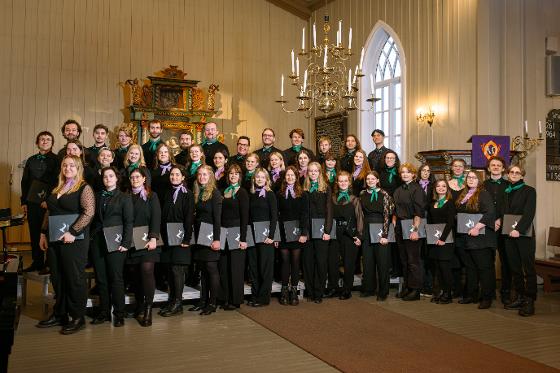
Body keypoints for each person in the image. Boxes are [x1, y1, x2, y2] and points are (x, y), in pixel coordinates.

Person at [37, 155, 95, 335]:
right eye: (64, 165)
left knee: (74, 278)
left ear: (78, 168)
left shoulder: (84, 187)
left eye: (71, 165)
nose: (67, 168)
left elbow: (89, 212)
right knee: (58, 277)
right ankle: (60, 313)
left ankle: (78, 317)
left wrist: (73, 232)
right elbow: (50, 212)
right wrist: (43, 233)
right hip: (54, 239)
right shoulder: (57, 188)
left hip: (74, 240)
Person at [89, 167, 133, 327]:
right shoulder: (96, 196)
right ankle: (104, 312)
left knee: (116, 278)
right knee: (101, 278)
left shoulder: (124, 197)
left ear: (117, 178)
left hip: (116, 242)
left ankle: (119, 313)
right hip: (98, 242)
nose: (107, 178)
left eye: (111, 176)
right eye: (105, 176)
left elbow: (129, 222)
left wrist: (126, 243)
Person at [455, 170, 496, 309]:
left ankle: (486, 297)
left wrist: (477, 228)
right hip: (466, 237)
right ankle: (471, 295)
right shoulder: (464, 194)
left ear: (479, 180)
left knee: (484, 269)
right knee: (470, 268)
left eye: (473, 177)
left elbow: (490, 213)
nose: (470, 179)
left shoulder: (483, 194)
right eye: (468, 177)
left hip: (481, 237)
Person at [158, 166, 195, 317]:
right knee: (169, 269)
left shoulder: (188, 194)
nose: (174, 177)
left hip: (181, 237)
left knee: (177, 270)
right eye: (172, 174)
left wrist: (187, 238)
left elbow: (189, 217)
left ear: (183, 177)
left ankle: (178, 304)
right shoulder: (167, 192)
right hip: (168, 236)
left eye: (177, 174)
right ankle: (172, 300)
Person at [127, 167, 161, 326]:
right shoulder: (125, 197)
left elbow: (156, 217)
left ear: (144, 179)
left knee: (146, 270)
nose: (134, 179)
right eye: (132, 177)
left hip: (148, 240)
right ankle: (140, 305)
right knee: (134, 274)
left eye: (137, 177)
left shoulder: (151, 196)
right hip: (132, 242)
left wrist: (154, 237)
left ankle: (148, 309)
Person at [21, 131, 59, 273]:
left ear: (52, 143)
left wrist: (49, 200)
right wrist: (24, 202)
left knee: (49, 232)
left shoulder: (56, 160)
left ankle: (49, 264)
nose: (45, 141)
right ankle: (37, 262)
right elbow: (25, 182)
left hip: (49, 202)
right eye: (42, 139)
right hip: (32, 202)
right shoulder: (31, 160)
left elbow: (58, 182)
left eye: (48, 139)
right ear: (37, 142)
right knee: (35, 231)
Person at [502, 165, 537, 316]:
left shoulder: (529, 191)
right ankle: (520, 297)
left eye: (518, 173)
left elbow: (529, 213)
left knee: (527, 268)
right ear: (508, 174)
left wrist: (519, 230)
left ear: (522, 176)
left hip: (524, 234)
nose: (514, 174)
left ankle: (530, 301)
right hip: (508, 234)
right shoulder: (506, 191)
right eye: (512, 172)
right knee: (515, 267)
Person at [190, 165, 223, 315]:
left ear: (210, 177)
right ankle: (203, 300)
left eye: (205, 174)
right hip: (199, 236)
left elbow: (218, 219)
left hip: (211, 237)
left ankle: (212, 303)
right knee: (203, 269)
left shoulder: (215, 194)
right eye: (200, 174)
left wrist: (217, 239)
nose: (202, 177)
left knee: (211, 268)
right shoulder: (197, 193)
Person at [359, 171, 394, 301]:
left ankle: (383, 291)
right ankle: (369, 288)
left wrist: (385, 234)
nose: (370, 181)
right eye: (368, 179)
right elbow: (361, 215)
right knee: (368, 261)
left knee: (382, 262)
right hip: (367, 229)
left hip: (381, 229)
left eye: (373, 178)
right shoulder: (362, 194)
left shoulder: (384, 194)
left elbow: (387, 216)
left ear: (377, 180)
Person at [277, 166, 309, 305]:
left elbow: (305, 215)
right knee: (284, 261)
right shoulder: (279, 194)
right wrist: (277, 235)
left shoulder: (302, 194)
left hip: (297, 233)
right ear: (285, 178)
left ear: (296, 177)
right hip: (283, 233)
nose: (290, 177)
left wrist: (303, 233)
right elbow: (276, 216)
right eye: (287, 175)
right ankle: (284, 290)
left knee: (295, 262)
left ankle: (294, 291)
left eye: (292, 175)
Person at [328, 171, 363, 300]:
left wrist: (359, 236)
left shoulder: (354, 199)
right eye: (340, 181)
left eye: (345, 181)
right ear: (337, 182)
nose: (343, 183)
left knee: (349, 263)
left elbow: (360, 218)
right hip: (334, 233)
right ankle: (334, 288)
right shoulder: (332, 198)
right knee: (332, 262)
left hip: (349, 234)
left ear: (349, 183)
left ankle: (347, 290)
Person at [219, 164, 249, 310]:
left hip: (237, 232)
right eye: (231, 173)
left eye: (236, 174)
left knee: (236, 267)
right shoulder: (222, 192)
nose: (233, 176)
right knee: (224, 267)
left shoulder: (242, 192)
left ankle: (235, 299)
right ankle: (225, 297)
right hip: (224, 231)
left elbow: (245, 218)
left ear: (240, 176)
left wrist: (243, 239)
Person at [393, 162, 425, 301]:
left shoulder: (417, 189)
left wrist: (415, 230)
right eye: (402, 172)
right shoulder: (398, 189)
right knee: (404, 260)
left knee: (413, 260)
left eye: (408, 172)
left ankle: (416, 290)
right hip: (400, 225)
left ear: (413, 174)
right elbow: (396, 209)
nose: (405, 174)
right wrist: (395, 223)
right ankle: (407, 287)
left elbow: (419, 212)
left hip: (412, 224)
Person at [247, 168, 278, 307]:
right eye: (257, 177)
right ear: (254, 179)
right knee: (254, 267)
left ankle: (264, 298)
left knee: (265, 267)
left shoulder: (270, 195)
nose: (259, 179)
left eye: (262, 177)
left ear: (266, 179)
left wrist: (272, 236)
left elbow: (274, 217)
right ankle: (255, 295)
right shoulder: (251, 194)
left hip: (266, 237)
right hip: (253, 236)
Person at [303, 162, 332, 303]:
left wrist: (327, 231)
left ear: (320, 172)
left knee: (321, 262)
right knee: (308, 262)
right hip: (307, 231)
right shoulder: (304, 189)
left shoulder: (326, 188)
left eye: (316, 171)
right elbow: (302, 212)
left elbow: (329, 211)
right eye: (310, 171)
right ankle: (310, 291)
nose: (313, 173)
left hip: (321, 231)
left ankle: (319, 292)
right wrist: (303, 231)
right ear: (307, 173)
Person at [483, 156, 511, 305]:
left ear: (503, 168)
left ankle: (506, 292)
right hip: (488, 227)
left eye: (498, 165)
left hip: (504, 226)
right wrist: (491, 221)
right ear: (488, 168)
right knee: (488, 260)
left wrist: (500, 219)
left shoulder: (508, 185)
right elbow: (482, 206)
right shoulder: (483, 185)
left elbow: (510, 205)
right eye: (492, 165)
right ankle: (489, 292)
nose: (495, 167)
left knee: (506, 260)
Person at [426, 179, 456, 304]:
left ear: (447, 189)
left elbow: (450, 223)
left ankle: (448, 294)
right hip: (434, 240)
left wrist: (442, 239)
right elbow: (430, 222)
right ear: (435, 188)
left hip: (446, 240)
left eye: (444, 186)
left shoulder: (449, 203)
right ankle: (439, 292)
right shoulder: (433, 203)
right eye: (438, 186)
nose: (441, 188)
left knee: (445, 268)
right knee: (437, 268)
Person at [417, 163, 436, 295]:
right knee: (418, 254)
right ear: (419, 172)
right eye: (423, 170)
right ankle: (419, 284)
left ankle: (429, 285)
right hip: (417, 220)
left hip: (430, 220)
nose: (426, 173)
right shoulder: (414, 185)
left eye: (428, 171)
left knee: (429, 254)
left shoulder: (434, 186)